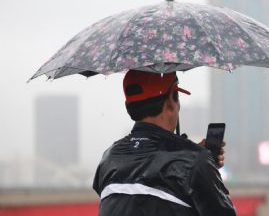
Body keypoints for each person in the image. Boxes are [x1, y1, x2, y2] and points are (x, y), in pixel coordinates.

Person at [92, 70, 236, 216]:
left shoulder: (108, 158)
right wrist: (202, 164)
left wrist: (198, 160)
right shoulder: (194, 161)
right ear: (170, 103)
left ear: (128, 105)